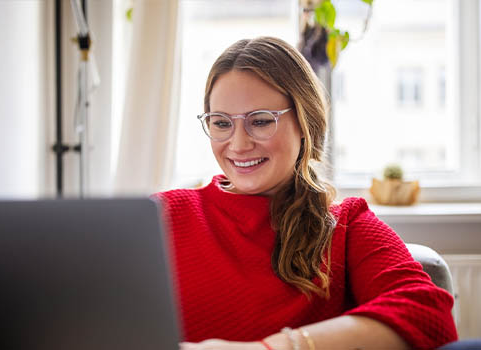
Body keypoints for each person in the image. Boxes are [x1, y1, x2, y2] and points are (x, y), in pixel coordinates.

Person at [155, 36, 457, 350]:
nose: (239, 144)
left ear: (305, 123)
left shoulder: (346, 225)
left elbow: (431, 317)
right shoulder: (163, 215)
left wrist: (272, 348)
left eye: (260, 121)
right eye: (221, 123)